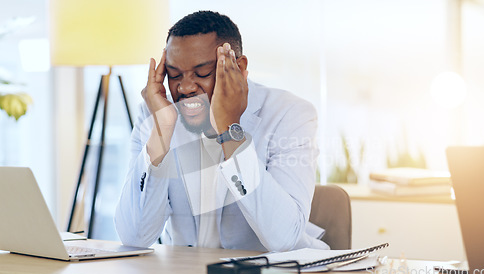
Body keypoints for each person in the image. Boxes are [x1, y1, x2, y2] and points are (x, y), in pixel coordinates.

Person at [115, 10, 328, 251]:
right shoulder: (155, 115)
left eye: (202, 73)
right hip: (184, 273)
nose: (185, 87)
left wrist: (230, 129)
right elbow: (134, 237)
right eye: (174, 75)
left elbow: (284, 239)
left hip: (272, 272)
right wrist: (161, 132)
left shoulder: (290, 114)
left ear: (239, 67)